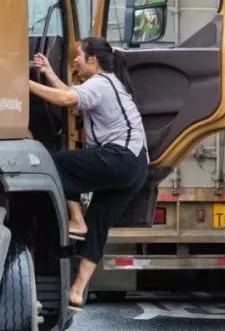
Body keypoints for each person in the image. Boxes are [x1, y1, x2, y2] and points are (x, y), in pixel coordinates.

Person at [28, 37, 149, 310]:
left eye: (79, 55)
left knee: (56, 163)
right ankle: (77, 292)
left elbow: (66, 98)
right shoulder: (106, 83)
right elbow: (73, 100)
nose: (75, 60)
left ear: (93, 59)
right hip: (137, 166)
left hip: (120, 158)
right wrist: (48, 73)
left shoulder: (101, 83)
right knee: (99, 228)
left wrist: (23, 84)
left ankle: (76, 219)